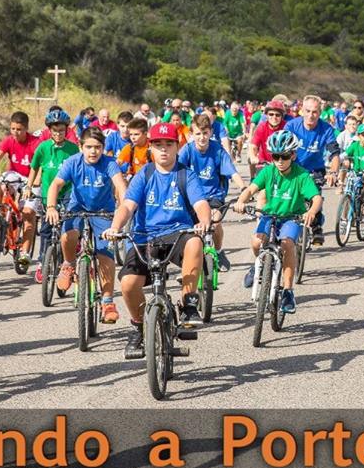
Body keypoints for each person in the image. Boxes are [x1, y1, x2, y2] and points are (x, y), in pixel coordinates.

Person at [102, 123, 212, 360]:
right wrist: (115, 227)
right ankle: (139, 326)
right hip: (146, 237)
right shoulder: (144, 174)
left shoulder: (186, 174)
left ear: (177, 147)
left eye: (168, 144)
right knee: (128, 284)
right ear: (150, 147)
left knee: (195, 242)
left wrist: (204, 221)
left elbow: (200, 203)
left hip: (177, 233)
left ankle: (189, 303)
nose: (163, 149)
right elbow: (128, 206)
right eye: (158, 144)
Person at [234, 130, 322, 313]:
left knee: (287, 244)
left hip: (291, 217)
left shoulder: (301, 175)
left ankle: (288, 291)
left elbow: (316, 198)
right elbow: (250, 190)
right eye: (275, 156)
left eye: (285, 156)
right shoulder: (268, 171)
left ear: (293, 155)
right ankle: (258, 265)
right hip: (269, 215)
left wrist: (312, 211)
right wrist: (241, 201)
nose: (280, 161)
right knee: (256, 242)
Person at [46, 127, 127, 321]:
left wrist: (124, 208)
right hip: (77, 207)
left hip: (103, 212)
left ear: (103, 148)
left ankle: (107, 301)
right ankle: (68, 264)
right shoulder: (73, 162)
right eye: (89, 147)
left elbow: (121, 186)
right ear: (81, 147)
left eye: (98, 147)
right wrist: (51, 207)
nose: (93, 151)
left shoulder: (109, 163)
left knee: (105, 254)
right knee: (68, 234)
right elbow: (56, 184)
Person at [178, 114, 245, 271]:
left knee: (215, 222)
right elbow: (175, 171)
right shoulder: (187, 150)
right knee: (187, 229)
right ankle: (187, 264)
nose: (202, 137)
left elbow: (232, 172)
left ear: (211, 132)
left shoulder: (218, 151)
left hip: (214, 195)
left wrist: (243, 188)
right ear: (191, 134)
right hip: (192, 197)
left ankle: (219, 251)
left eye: (205, 133)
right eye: (198, 134)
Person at [0, 111, 42, 267]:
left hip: (31, 178)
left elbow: (41, 166)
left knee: (28, 213)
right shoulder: (8, 141)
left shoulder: (35, 143)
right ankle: (0, 213)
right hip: (14, 175)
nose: (15, 132)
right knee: (1, 184)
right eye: (13, 128)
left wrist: (35, 183)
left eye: (19, 129)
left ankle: (25, 252)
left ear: (26, 128)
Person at [26, 109, 78, 282]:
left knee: (67, 228)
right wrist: (28, 186)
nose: (58, 134)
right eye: (54, 130)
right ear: (49, 130)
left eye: (61, 130)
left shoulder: (73, 149)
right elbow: (34, 168)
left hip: (67, 193)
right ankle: (43, 262)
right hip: (48, 194)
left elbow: (78, 171)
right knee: (46, 230)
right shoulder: (43, 148)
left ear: (67, 130)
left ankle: (67, 261)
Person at [284, 95, 339, 245]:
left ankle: (316, 227)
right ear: (302, 110)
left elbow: (334, 154)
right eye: (307, 111)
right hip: (293, 168)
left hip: (315, 170)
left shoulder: (326, 129)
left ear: (320, 113)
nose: (311, 115)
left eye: (315, 112)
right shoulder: (291, 126)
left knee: (314, 195)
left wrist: (333, 172)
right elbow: (283, 149)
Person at [336, 115, 360, 189]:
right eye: (349, 124)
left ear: (357, 125)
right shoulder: (342, 136)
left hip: (356, 157)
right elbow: (337, 150)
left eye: (354, 124)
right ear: (345, 126)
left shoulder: (360, 135)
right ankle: (341, 184)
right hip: (343, 156)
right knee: (346, 163)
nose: (352, 126)